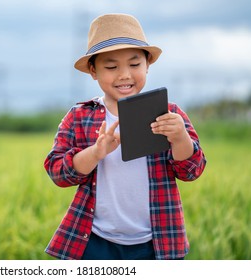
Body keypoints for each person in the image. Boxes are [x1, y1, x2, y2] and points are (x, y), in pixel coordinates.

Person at [43, 14, 206, 260]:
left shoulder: (169, 114)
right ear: (93, 71)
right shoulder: (79, 116)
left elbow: (191, 171)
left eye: (134, 64)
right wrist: (96, 152)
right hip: (94, 240)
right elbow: (58, 172)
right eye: (111, 67)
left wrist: (181, 138)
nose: (124, 75)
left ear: (148, 64)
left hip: (157, 242)